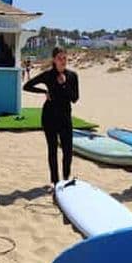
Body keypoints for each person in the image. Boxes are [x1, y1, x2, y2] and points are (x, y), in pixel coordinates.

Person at [23, 46, 79, 190]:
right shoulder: (48, 75)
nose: (63, 61)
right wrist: (44, 91)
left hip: (65, 117)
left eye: (65, 58)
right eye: (60, 58)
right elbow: (27, 86)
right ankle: (55, 181)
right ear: (54, 60)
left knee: (68, 150)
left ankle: (65, 180)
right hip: (49, 117)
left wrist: (65, 84)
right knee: (52, 150)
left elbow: (75, 98)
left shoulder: (72, 76)